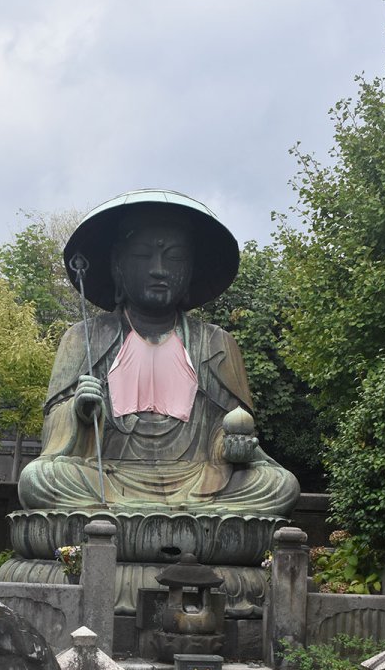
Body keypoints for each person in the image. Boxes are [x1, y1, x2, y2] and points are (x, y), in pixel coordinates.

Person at [18, 190, 299, 519]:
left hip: (199, 482)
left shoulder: (217, 343)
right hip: (107, 479)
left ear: (191, 269)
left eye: (175, 258)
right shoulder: (84, 338)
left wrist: (233, 444)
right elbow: (55, 437)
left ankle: (130, 523)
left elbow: (228, 434)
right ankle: (170, 523)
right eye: (142, 256)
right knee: (39, 480)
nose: (159, 269)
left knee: (279, 484)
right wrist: (77, 412)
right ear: (117, 266)